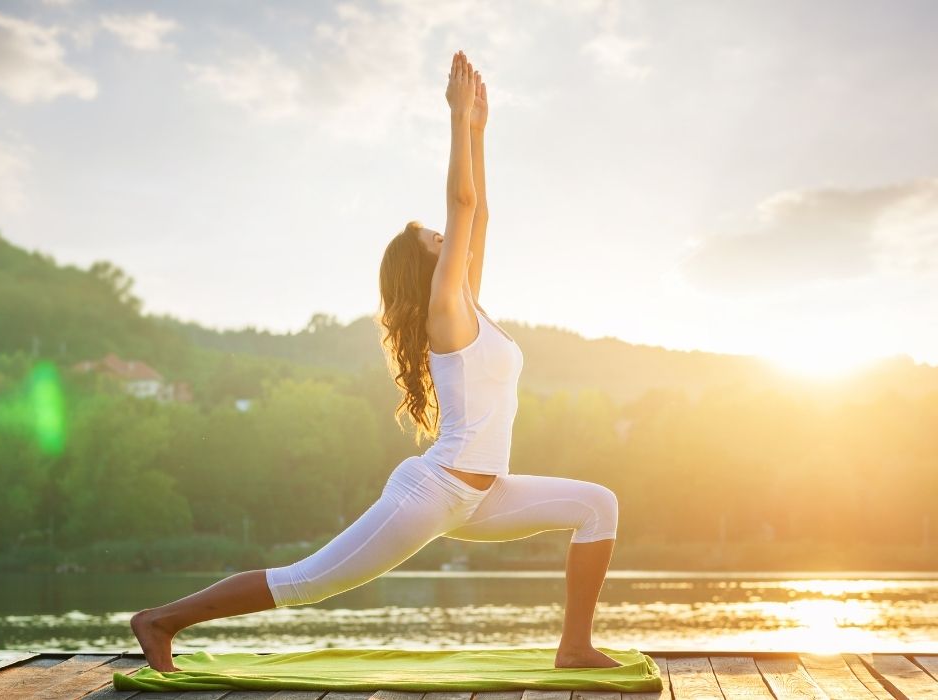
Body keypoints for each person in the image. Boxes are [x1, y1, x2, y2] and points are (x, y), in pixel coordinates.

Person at [131, 49, 620, 673]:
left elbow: (481, 214)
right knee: (305, 580)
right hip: (435, 491)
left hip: (485, 494)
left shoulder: (472, 305)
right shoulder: (447, 312)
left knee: (597, 504)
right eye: (435, 241)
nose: (451, 240)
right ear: (426, 268)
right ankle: (160, 619)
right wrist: (454, 117)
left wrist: (479, 132)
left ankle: (573, 647)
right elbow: (463, 206)